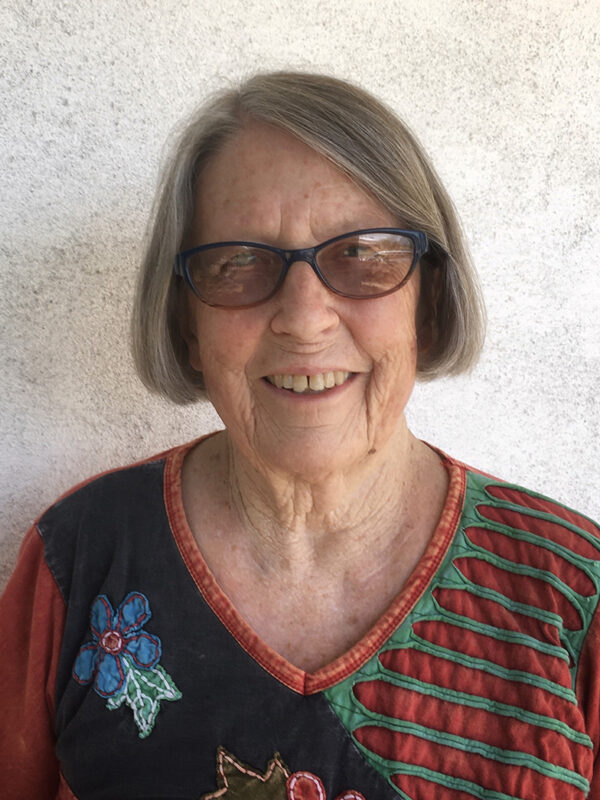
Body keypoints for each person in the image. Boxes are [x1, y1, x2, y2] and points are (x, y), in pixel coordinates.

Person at [1, 71, 599, 800]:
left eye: (364, 255)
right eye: (237, 263)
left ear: (429, 302)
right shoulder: (78, 557)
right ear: (187, 325)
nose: (305, 319)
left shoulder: (573, 591)